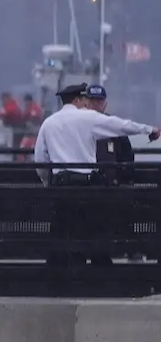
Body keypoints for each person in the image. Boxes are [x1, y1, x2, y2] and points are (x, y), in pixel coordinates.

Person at [34, 82, 157, 267]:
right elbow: (121, 126)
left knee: (64, 225)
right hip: (86, 185)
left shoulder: (49, 123)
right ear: (77, 99)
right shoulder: (88, 118)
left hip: (61, 185)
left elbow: (40, 159)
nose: (86, 103)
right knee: (93, 225)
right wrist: (148, 130)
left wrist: (47, 182)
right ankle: (99, 264)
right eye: (84, 99)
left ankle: (66, 264)